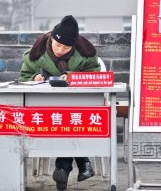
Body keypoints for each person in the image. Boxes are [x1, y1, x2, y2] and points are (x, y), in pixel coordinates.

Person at [19, 15, 100, 190]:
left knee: (70, 117)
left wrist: (72, 76)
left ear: (73, 45)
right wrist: (35, 77)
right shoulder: (35, 55)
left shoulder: (87, 55)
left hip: (79, 106)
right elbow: (23, 78)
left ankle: (63, 166)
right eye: (57, 45)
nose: (60, 50)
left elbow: (96, 77)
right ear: (51, 39)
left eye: (66, 47)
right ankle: (82, 163)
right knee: (66, 119)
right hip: (45, 107)